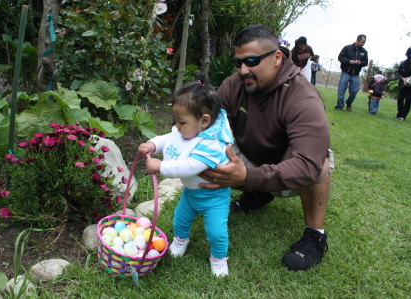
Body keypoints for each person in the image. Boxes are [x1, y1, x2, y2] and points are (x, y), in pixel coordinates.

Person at [198, 25, 331, 271]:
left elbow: (308, 165)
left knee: (320, 161)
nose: (243, 70)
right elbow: (208, 124)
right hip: (249, 159)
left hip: (287, 169)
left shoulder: (303, 98)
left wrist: (249, 176)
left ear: (277, 57)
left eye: (251, 61)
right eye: (238, 63)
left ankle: (315, 234)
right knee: (208, 139)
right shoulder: (233, 84)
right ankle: (259, 193)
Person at [138, 77, 234, 277]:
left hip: (214, 199)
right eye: (176, 120)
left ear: (204, 121)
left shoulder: (211, 145)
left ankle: (218, 258)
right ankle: (180, 239)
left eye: (182, 122)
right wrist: (153, 145)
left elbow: (188, 167)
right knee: (179, 220)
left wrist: (161, 166)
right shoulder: (185, 131)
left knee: (216, 232)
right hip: (191, 194)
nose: (177, 126)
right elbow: (168, 138)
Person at [335, 34, 368, 111]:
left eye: (364, 42)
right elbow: (340, 57)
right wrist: (349, 61)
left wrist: (360, 62)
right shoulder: (347, 48)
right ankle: (340, 106)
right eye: (362, 42)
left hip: (355, 74)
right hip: (345, 72)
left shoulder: (364, 52)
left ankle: (348, 103)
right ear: (358, 40)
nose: (363, 44)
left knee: (354, 91)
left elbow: (365, 62)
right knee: (341, 91)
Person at [395, 47, 411, 121]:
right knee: (400, 99)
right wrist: (403, 79)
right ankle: (399, 113)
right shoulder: (403, 63)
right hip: (403, 85)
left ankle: (403, 116)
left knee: (408, 100)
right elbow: (399, 73)